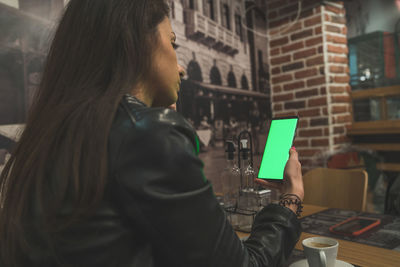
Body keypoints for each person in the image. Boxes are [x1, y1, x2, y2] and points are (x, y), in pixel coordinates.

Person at [0, 0, 304, 266]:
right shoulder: (146, 133)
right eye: (172, 43)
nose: (182, 67)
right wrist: (291, 199)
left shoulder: (52, 132)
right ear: (138, 43)